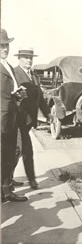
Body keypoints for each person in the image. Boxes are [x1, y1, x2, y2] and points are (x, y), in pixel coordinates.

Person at [12, 47, 52, 190]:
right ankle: (12, 180)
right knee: (21, 150)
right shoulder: (14, 73)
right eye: (25, 57)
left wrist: (48, 113)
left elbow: (40, 98)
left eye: (30, 58)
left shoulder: (34, 75)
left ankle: (13, 179)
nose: (29, 60)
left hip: (28, 121)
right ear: (19, 58)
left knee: (22, 150)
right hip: (17, 120)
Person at [0, 29, 28, 202]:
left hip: (11, 117)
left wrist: (18, 94)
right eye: (1, 45)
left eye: (6, 45)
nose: (4, 48)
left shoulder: (8, 66)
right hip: (1, 118)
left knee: (9, 154)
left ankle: (6, 191)